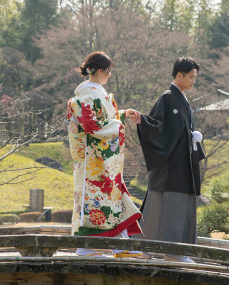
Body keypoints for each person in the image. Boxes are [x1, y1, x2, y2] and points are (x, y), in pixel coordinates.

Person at [66, 51, 144, 257]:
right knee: (99, 203)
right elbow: (93, 126)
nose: (109, 75)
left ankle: (115, 245)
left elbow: (100, 120)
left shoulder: (93, 93)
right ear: (99, 71)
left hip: (100, 160)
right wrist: (117, 123)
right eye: (108, 72)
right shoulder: (89, 96)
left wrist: (121, 114)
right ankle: (99, 247)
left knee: (108, 201)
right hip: (94, 161)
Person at [132, 57, 205, 262]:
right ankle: (167, 251)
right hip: (171, 166)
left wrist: (192, 136)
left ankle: (169, 250)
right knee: (164, 206)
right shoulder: (168, 97)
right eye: (191, 77)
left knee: (173, 205)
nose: (193, 81)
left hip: (181, 163)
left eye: (195, 77)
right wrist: (143, 121)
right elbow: (158, 125)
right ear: (179, 75)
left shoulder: (180, 98)